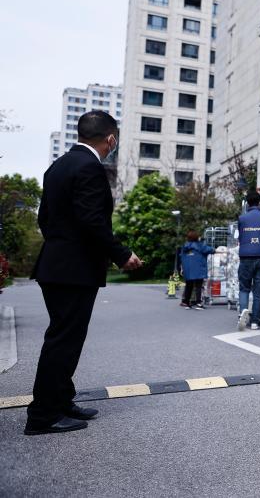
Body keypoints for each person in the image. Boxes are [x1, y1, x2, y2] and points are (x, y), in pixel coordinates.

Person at [26, 111, 142, 436]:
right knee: (63, 341)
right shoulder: (90, 168)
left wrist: (61, 248)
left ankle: (61, 401)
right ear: (110, 139)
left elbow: (44, 218)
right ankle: (43, 416)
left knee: (65, 337)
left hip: (56, 265)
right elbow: (93, 220)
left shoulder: (58, 167)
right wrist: (122, 254)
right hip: (74, 270)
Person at [237, 191, 260, 331]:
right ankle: (255, 322)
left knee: (244, 288)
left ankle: (243, 314)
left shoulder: (242, 219)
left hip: (245, 257)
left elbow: (241, 237)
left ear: (246, 203)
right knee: (258, 291)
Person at [179, 231, 214, 309]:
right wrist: (222, 251)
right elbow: (209, 250)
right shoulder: (199, 245)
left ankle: (186, 302)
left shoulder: (185, 246)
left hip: (188, 269)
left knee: (189, 286)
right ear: (196, 237)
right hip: (199, 269)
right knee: (198, 286)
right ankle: (198, 303)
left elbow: (181, 256)